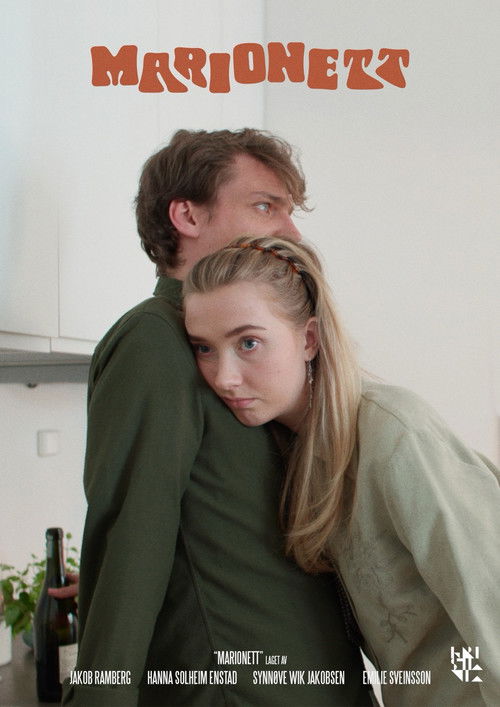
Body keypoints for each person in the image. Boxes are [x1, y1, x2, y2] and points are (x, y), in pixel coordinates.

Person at [62, 130, 371, 706]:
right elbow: (130, 539)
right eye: (265, 206)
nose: (290, 232)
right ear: (187, 216)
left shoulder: (264, 345)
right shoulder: (153, 339)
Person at [183, 235, 500, 707]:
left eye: (248, 343)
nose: (224, 377)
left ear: (308, 340)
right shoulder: (289, 453)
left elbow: (491, 602)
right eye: (204, 349)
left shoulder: (393, 434)